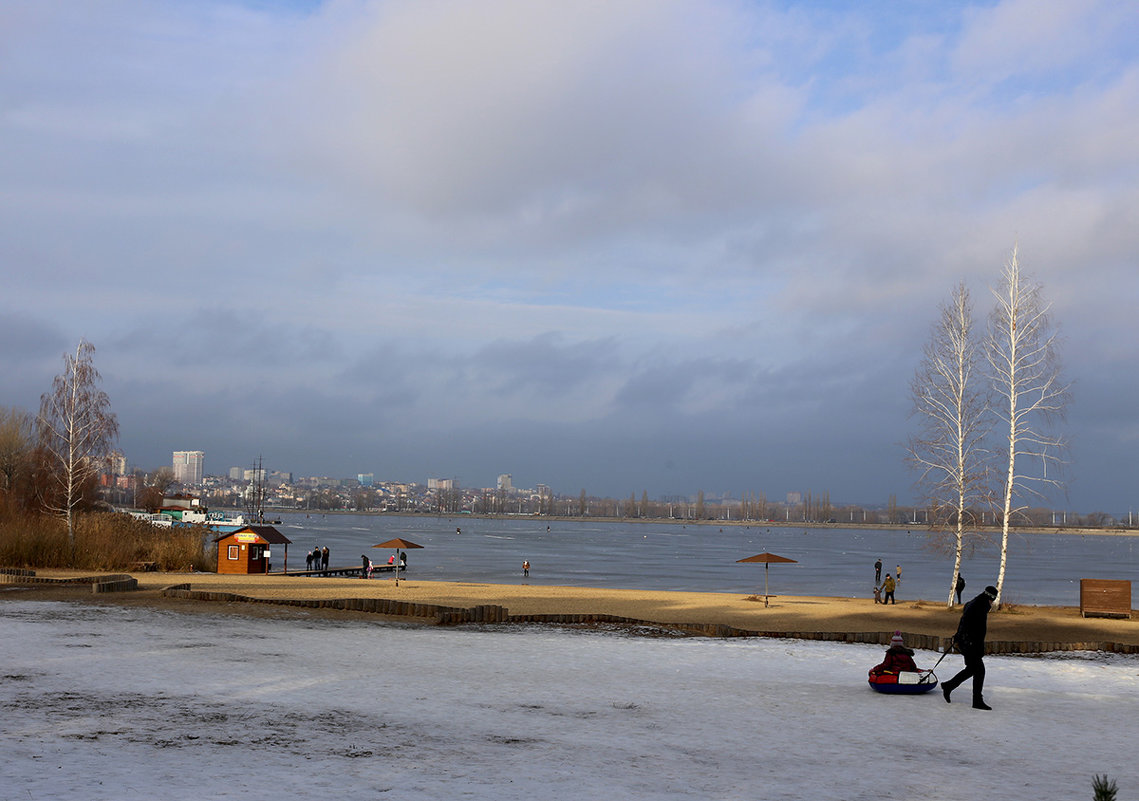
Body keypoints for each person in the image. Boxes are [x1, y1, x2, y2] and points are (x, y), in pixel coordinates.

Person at [942, 585, 998, 710]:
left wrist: (959, 637)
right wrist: (969, 642)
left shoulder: (975, 603)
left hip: (967, 643)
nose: (992, 602)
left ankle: (949, 686)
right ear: (990, 597)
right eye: (993, 599)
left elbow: (964, 622)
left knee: (972, 669)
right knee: (979, 670)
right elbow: (970, 626)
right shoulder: (979, 607)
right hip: (970, 644)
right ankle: (976, 700)